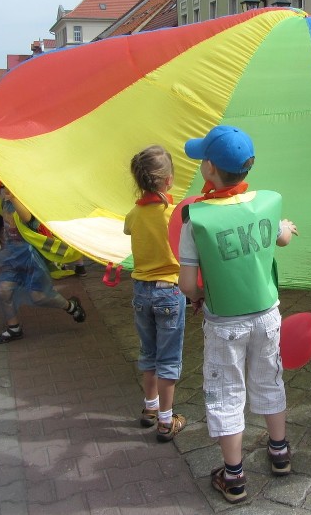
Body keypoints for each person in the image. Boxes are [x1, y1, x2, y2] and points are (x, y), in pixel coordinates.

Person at [178, 125, 297, 504]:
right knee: (269, 378)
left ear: (209, 168)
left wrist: (199, 296)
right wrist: (287, 229)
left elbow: (185, 283)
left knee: (228, 391)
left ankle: (234, 477)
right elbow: (280, 237)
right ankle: (279, 453)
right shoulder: (268, 201)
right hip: (267, 314)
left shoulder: (195, 218)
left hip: (225, 322)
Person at [123, 145, 187, 442]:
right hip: (169, 294)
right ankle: (165, 419)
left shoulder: (134, 215)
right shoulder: (175, 215)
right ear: (168, 180)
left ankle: (149, 409)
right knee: (169, 359)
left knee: (148, 353)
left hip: (141, 292)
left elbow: (128, 230)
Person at [0, 185, 86, 344]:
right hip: (12, 256)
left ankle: (71, 306)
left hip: (31, 257)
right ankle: (14, 328)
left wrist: (13, 195)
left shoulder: (27, 201)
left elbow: (27, 218)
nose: (4, 189)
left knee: (39, 297)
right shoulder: (5, 200)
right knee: (3, 290)